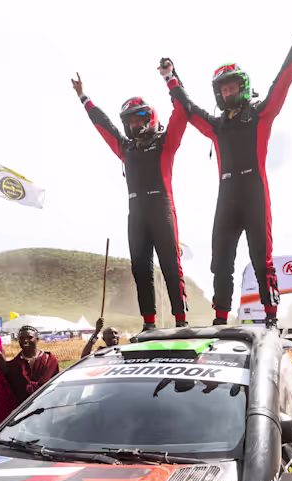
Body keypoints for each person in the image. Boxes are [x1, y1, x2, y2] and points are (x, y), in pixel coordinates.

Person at [170, 3, 292, 328]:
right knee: (220, 261)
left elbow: (284, 78)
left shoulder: (261, 114)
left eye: (232, 87)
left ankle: (271, 317)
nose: (227, 92)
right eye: (223, 89)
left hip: (255, 195)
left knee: (261, 260)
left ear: (243, 87)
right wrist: (171, 78)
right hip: (227, 199)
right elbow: (188, 109)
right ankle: (221, 318)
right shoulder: (216, 126)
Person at [72, 67, 189, 332]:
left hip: (162, 210)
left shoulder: (166, 143)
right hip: (136, 216)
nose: (135, 124)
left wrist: (171, 78)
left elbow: (182, 113)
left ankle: (181, 319)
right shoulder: (125, 149)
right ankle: (149, 323)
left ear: (150, 118)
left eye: (139, 119)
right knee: (140, 270)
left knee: (171, 266)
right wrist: (83, 97)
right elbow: (104, 125)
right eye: (131, 121)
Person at [2, 325, 61, 404]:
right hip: (24, 408)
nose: (25, 341)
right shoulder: (13, 365)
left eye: (30, 337)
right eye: (21, 338)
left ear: (37, 339)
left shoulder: (50, 360)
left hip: (47, 404)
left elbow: (57, 385)